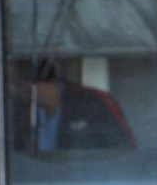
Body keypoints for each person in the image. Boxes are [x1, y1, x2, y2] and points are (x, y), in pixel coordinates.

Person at [8, 60, 136, 153]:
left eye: (22, 86)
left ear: (43, 83)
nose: (17, 92)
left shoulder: (94, 102)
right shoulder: (18, 111)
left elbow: (124, 147)